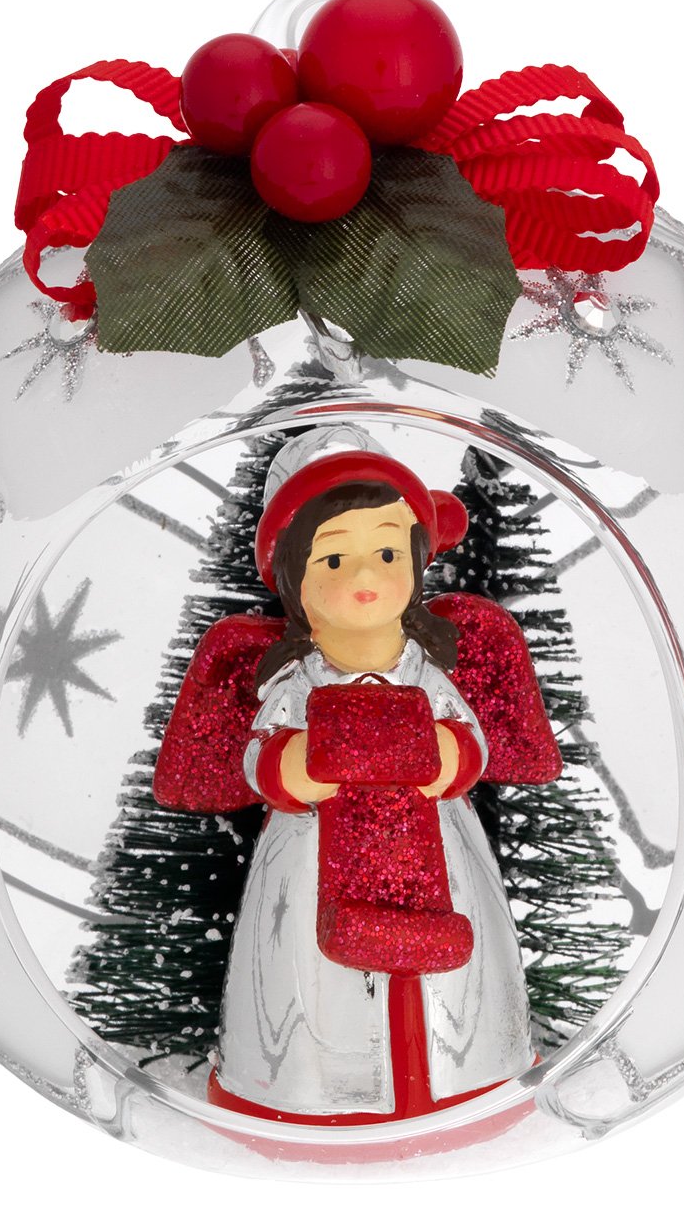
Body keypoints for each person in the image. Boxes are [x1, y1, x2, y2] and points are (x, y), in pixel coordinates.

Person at [154, 427, 560, 1123]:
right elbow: (261, 750)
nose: (364, 577)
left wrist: (448, 757)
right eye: (335, 558)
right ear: (294, 575)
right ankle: (316, 1093)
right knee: (316, 965)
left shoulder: (427, 669)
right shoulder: (295, 678)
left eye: (386, 553)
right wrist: (293, 767)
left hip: (436, 842)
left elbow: (469, 736)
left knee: (445, 967)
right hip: (315, 849)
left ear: (417, 558)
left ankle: (461, 1074)